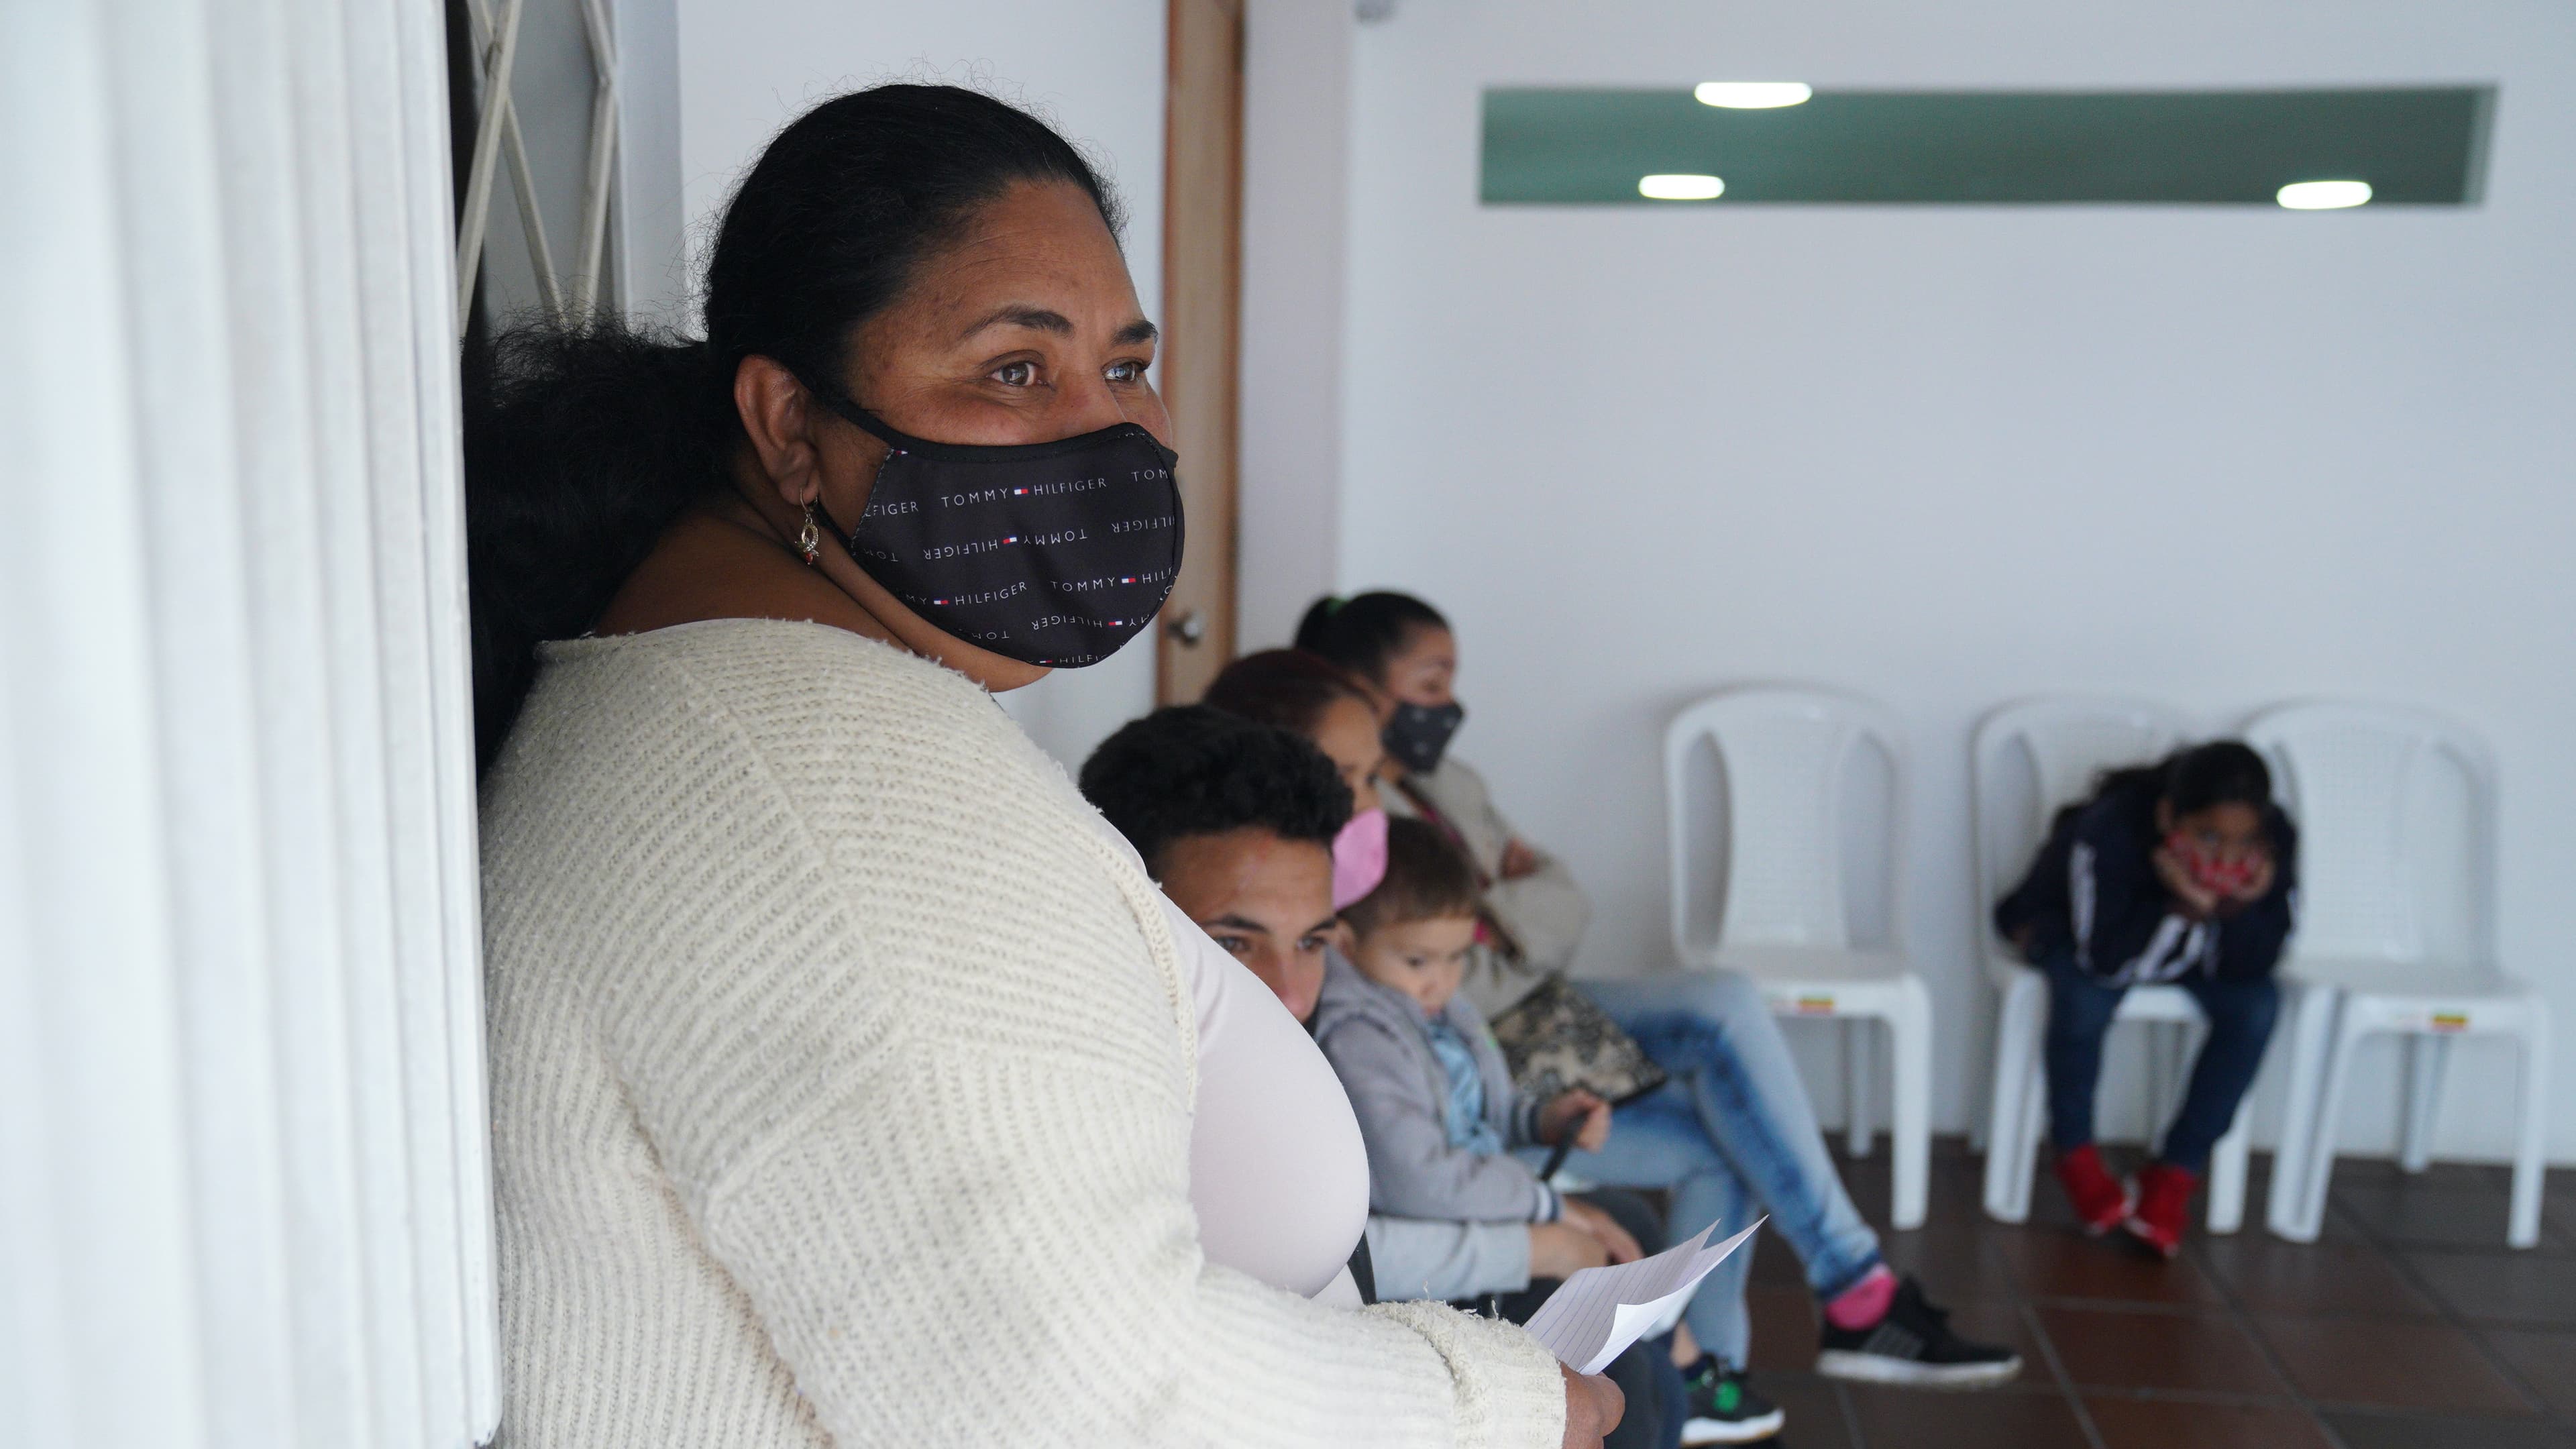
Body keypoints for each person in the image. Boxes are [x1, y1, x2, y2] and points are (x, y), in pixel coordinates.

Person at [466, 85, 1617, 1448]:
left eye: (1125, 369)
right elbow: (1078, 1393)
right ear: (787, 426)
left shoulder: (733, 707)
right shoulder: (835, 790)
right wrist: (1505, 1407)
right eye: (1015, 370)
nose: (1110, 436)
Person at [1290, 592, 2022, 1402]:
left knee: (1725, 1004)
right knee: (1721, 1089)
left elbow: (1565, 899)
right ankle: (1815, 1317)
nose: (1448, 707)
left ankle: (1755, 1350)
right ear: (1360, 687)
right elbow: (1476, 969)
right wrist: (1500, 918)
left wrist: (1506, 923)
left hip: (1523, 1013)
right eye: (1430, 685)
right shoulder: (1359, 839)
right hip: (1496, 1028)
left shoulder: (1447, 785)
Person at [1079, 704, 1687, 1449]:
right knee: (1625, 1384)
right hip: (1333, 1385)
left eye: (1310, 943)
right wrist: (1536, 1244)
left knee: (1629, 1331)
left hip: (1374, 1335)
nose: (1291, 994)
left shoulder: (1319, 1023)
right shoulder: (1121, 1105)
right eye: (1233, 943)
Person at [1994, 741, 2298, 1256]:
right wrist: (2182, 908)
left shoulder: (2275, 841)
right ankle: (2075, 1151)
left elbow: (2253, 964)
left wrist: (2236, 908)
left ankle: (2176, 1172)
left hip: (2192, 941)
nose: (2226, 857)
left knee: (2257, 1006)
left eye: (2243, 841)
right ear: (2167, 817)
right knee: (2084, 1001)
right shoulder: (2107, 831)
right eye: (2208, 836)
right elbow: (2105, 961)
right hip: (2077, 933)